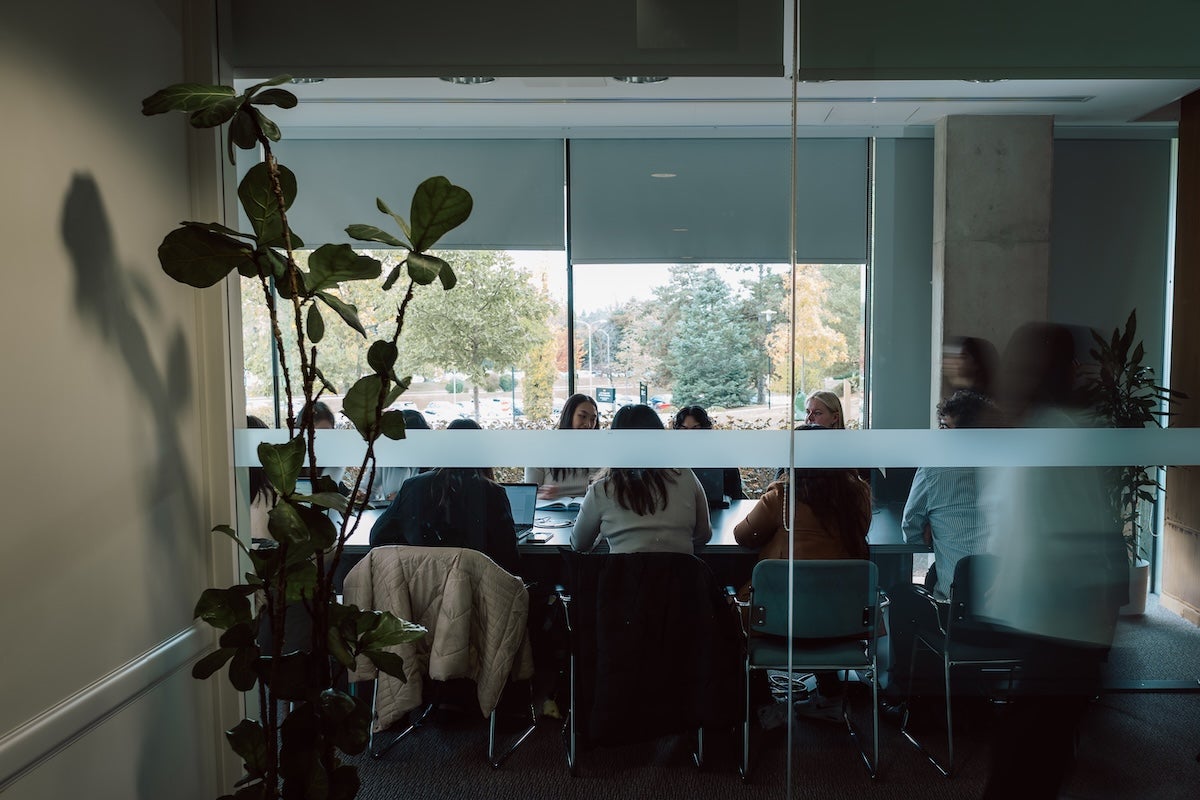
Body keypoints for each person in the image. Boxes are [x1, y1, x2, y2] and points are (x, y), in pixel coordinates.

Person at [977, 321, 1128, 800]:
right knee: (1039, 748)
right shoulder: (1062, 432)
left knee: (1028, 741)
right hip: (1065, 613)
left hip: (1032, 607)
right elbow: (1083, 526)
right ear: (1064, 368)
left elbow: (1004, 523)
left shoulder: (1022, 431)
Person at [733, 424, 872, 719]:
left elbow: (743, 536)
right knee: (822, 588)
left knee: (733, 608)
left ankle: (765, 705)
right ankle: (830, 695)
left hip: (780, 619)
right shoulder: (858, 494)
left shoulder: (782, 497)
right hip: (841, 618)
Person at [369, 416, 521, 576]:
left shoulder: (413, 486)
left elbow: (378, 537)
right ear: (481, 452)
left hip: (421, 589)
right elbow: (509, 558)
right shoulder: (492, 492)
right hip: (474, 591)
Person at [570, 404, 712, 555]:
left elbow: (579, 544)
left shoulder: (602, 490)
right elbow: (703, 535)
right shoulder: (685, 476)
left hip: (624, 577)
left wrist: (602, 532)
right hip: (679, 577)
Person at [524, 393, 599, 500]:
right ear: (569, 416)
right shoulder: (541, 449)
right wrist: (541, 495)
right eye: (582, 416)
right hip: (549, 514)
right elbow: (529, 496)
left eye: (593, 419)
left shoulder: (599, 451)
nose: (588, 424)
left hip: (590, 514)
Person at [671, 405, 747, 501]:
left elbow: (736, 496)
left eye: (695, 428)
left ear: (705, 429)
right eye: (684, 429)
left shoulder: (722, 458)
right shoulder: (671, 459)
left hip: (718, 511)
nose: (689, 434)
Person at [296, 400, 346, 487]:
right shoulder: (292, 460)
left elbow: (325, 492)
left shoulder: (333, 460)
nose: (321, 438)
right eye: (314, 433)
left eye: (327, 433)